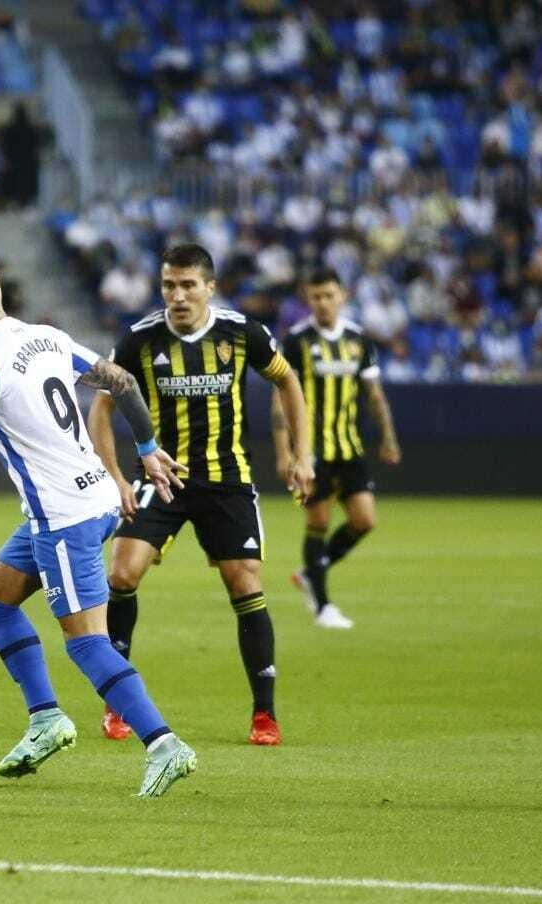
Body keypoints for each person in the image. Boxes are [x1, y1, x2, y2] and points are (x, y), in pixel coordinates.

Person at [0, 248, 197, 798]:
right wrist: (146, 448)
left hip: (63, 517)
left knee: (85, 643)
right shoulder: (47, 337)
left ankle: (164, 743)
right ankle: (47, 719)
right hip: (95, 498)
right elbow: (120, 381)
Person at [87, 243, 313, 746]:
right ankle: (117, 702)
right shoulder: (139, 339)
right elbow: (101, 409)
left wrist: (303, 455)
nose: (178, 295)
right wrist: (115, 479)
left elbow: (288, 381)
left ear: (210, 287)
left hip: (225, 478)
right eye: (169, 285)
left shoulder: (242, 332)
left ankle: (264, 714)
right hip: (159, 477)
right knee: (121, 574)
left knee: (245, 584)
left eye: (188, 285)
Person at [275, 267, 401, 629]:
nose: (323, 303)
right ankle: (323, 606)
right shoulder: (297, 341)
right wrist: (285, 452)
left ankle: (312, 571)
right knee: (318, 520)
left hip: (349, 448)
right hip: (312, 452)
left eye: (329, 295)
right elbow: (279, 399)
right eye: (316, 297)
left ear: (342, 296)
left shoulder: (359, 339)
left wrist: (389, 438)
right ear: (308, 299)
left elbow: (374, 395)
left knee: (364, 520)